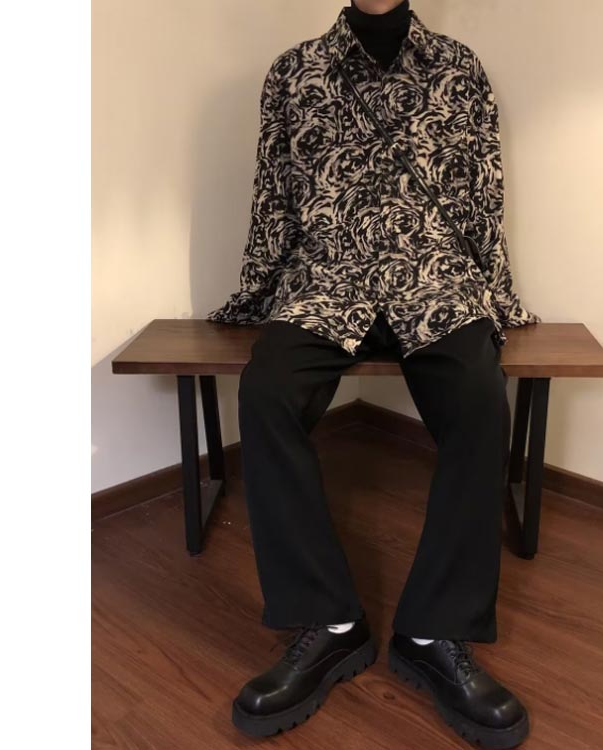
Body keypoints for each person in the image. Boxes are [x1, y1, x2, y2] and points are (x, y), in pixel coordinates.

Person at [207, 1, 540, 747]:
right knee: (266, 393)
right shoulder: (294, 72)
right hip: (327, 277)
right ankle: (329, 622)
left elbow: (481, 195)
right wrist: (258, 293)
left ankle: (434, 631)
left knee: (481, 400)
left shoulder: (458, 68)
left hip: (434, 277)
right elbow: (274, 196)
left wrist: (494, 296)